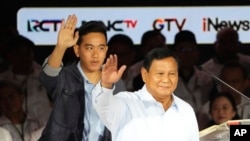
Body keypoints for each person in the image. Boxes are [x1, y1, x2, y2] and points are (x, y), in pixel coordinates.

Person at [39, 14, 125, 141]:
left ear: (106, 50)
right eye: (89, 48)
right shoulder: (65, 76)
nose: (95, 54)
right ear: (77, 50)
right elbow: (47, 77)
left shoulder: (115, 82)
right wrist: (61, 47)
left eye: (101, 48)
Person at [92, 47, 199, 141]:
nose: (166, 80)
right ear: (144, 74)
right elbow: (102, 105)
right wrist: (106, 84)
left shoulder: (186, 109)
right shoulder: (126, 103)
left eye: (172, 74)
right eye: (160, 74)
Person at [0, 35, 52, 126]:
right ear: (9, 55)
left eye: (27, 53)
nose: (24, 58)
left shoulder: (46, 77)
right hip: (12, 133)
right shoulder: (3, 80)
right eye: (18, 54)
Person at [198, 61, 250, 130]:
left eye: (235, 82)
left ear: (246, 83)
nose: (230, 86)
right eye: (226, 82)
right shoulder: (206, 110)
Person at [172, 30, 213, 115]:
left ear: (197, 52)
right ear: (174, 53)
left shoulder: (206, 78)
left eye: (191, 49)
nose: (187, 54)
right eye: (182, 49)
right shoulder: (166, 78)